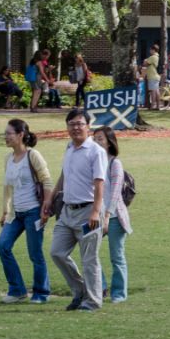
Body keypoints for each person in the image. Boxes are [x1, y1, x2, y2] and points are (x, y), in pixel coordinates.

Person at [47, 107, 108, 311]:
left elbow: (100, 184)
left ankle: (93, 301)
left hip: (88, 211)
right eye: (72, 124)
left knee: (89, 259)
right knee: (57, 252)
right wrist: (51, 197)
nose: (76, 128)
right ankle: (80, 290)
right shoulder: (69, 148)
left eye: (80, 124)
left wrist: (95, 212)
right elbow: (64, 175)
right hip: (67, 210)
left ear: (88, 127)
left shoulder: (96, 152)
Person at [0, 119, 54, 304]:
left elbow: (46, 181)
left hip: (33, 212)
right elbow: (7, 187)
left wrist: (45, 207)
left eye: (9, 133)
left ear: (20, 135)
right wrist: (5, 211)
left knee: (35, 253)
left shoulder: (33, 155)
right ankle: (17, 290)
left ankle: (41, 292)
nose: (6, 137)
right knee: (3, 246)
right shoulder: (8, 158)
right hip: (16, 214)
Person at [93, 126, 132, 303]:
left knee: (116, 256)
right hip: (94, 216)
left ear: (109, 142)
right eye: (94, 139)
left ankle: (119, 294)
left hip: (114, 217)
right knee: (90, 254)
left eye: (100, 139)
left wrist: (107, 215)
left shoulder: (115, 163)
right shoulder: (93, 162)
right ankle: (99, 288)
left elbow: (116, 192)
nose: (97, 142)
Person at [143, 44, 160, 109]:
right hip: (155, 76)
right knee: (156, 91)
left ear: (153, 50)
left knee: (153, 91)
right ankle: (157, 106)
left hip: (152, 76)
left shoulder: (153, 57)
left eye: (150, 49)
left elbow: (145, 63)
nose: (150, 51)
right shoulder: (157, 56)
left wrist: (145, 60)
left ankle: (153, 105)